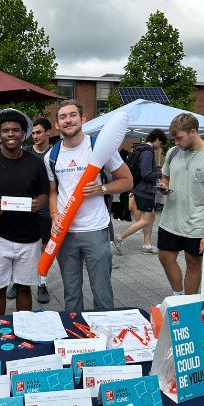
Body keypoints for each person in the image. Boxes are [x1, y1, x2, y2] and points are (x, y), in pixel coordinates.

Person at [45, 99, 132, 312]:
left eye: (73, 115)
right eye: (63, 117)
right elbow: (53, 191)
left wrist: (101, 189)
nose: (68, 120)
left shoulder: (99, 147)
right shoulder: (51, 156)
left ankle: (104, 338)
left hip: (96, 230)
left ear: (83, 119)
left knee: (102, 292)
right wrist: (54, 215)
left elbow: (127, 181)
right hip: (66, 233)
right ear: (57, 124)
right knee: (71, 293)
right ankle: (76, 336)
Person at [0, 108, 49, 316]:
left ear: (23, 133)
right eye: (6, 130)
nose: (11, 134)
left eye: (15, 130)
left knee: (25, 287)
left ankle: (24, 328)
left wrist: (39, 203)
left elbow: (44, 193)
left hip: (30, 235)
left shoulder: (36, 163)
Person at [157, 113, 204, 296]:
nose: (176, 143)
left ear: (193, 132)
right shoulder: (173, 153)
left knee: (193, 262)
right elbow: (166, 176)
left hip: (197, 223)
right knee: (165, 256)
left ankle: (189, 303)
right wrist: (164, 186)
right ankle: (177, 296)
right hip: (170, 219)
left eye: (179, 138)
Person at [114, 130, 167, 255]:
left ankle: (147, 245)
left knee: (151, 216)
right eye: (161, 143)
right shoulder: (147, 153)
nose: (160, 147)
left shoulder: (140, 150)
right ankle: (120, 237)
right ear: (157, 139)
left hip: (141, 189)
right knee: (146, 219)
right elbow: (146, 174)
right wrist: (160, 173)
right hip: (144, 190)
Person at [24, 117, 53, 304]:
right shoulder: (25, 153)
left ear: (48, 132)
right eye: (33, 133)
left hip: (47, 209)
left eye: (39, 132)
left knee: (45, 247)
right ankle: (19, 282)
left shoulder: (56, 153)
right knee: (25, 246)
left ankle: (42, 283)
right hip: (26, 208)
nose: (35, 136)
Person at [113, 148, 131, 222]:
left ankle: (122, 215)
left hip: (123, 184)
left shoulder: (121, 163)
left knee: (124, 200)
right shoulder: (126, 163)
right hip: (126, 184)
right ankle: (124, 215)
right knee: (125, 200)